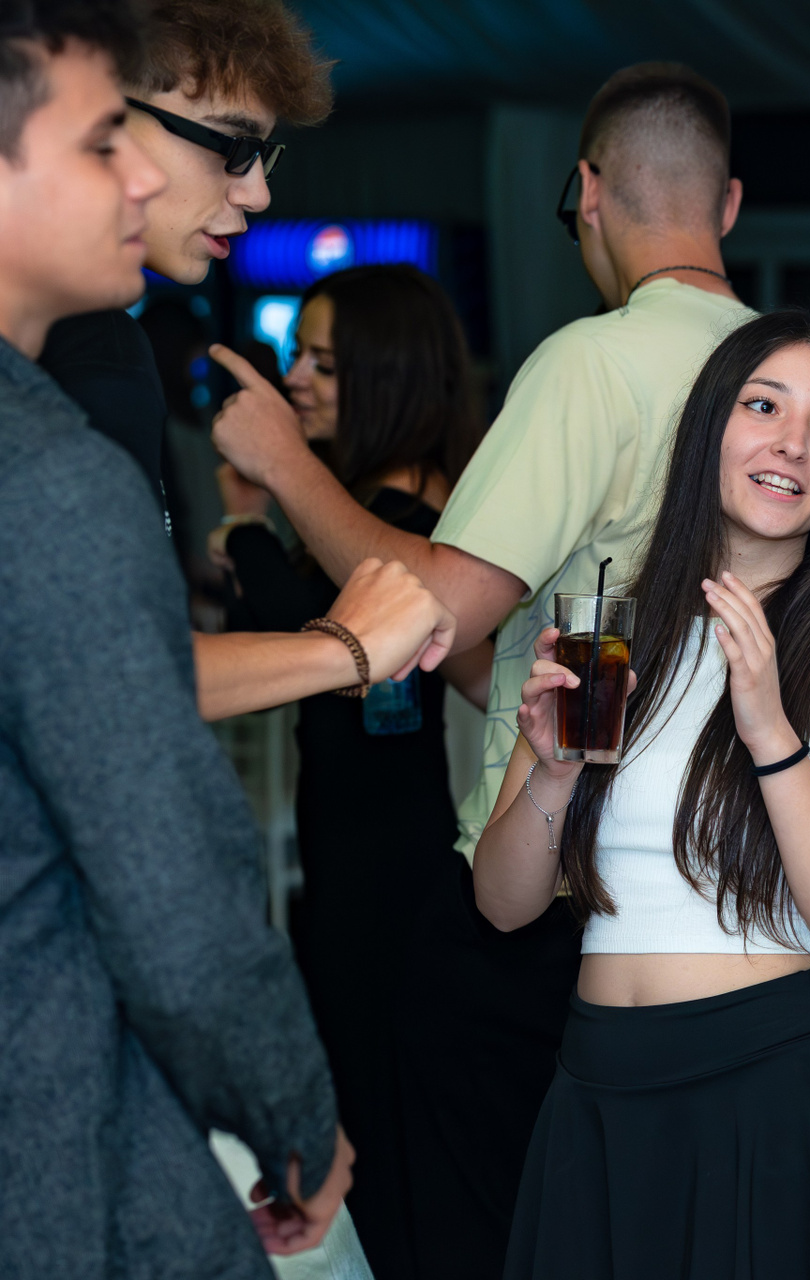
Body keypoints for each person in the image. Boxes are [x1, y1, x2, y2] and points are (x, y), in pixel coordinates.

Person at [209, 62, 762, 1279]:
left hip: (551, 881)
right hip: (727, 900)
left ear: (586, 192)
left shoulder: (595, 361)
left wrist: (285, 470)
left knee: (477, 1227)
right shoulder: (801, 390)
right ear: (728, 206)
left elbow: (433, 614)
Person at [472, 311, 810, 1279]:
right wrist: (554, 770)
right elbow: (503, 902)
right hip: (596, 1091)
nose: (793, 443)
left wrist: (770, 731)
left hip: (772, 1100)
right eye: (764, 406)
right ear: (707, 429)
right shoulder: (609, 635)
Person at [0, 1, 354, 1271]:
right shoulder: (52, 465)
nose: (145, 180)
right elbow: (162, 874)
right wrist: (295, 1116)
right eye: (104, 140)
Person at [35, 0, 456, 722]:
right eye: (231, 145)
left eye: (263, 156)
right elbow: (106, 674)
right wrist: (347, 650)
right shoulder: (96, 353)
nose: (257, 192)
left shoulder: (87, 340)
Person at [214, 264, 482, 1275]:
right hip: (359, 850)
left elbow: (330, 649)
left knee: (382, 1134)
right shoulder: (368, 501)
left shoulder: (407, 513)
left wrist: (250, 530)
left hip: (386, 865)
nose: (299, 379)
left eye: (325, 363)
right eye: (301, 357)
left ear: (388, 374)